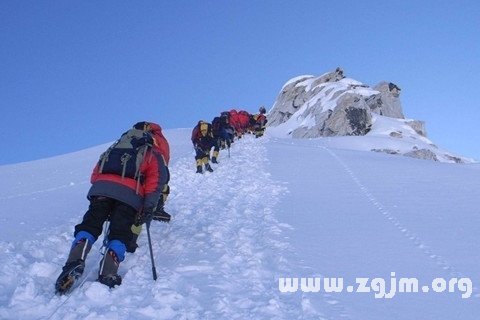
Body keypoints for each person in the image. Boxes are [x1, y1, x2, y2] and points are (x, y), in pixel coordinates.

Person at [55, 121, 169, 293]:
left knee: (90, 224)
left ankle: (74, 261)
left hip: (101, 190)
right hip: (129, 196)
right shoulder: (151, 152)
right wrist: (148, 207)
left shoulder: (114, 148)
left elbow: (95, 174)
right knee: (120, 232)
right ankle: (107, 272)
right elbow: (156, 182)